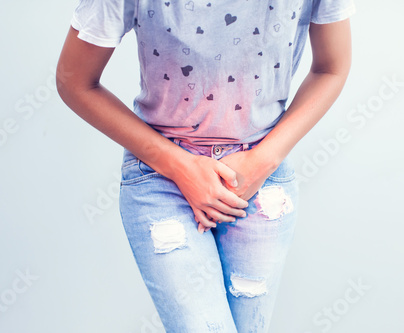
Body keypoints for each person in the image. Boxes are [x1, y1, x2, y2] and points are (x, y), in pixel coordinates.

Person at [56, 0, 355, 332]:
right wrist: (181, 167)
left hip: (260, 179)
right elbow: (75, 81)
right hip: (161, 177)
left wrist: (262, 161)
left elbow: (332, 67)